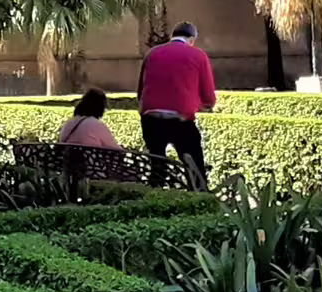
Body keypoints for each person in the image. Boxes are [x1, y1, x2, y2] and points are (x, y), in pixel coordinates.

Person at [136, 23, 216, 187]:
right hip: (180, 119)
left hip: (151, 118)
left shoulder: (152, 53)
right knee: (195, 169)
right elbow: (209, 97)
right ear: (192, 40)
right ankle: (199, 201)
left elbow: (140, 91)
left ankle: (153, 196)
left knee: (157, 166)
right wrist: (200, 105)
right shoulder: (198, 55)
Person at [54, 88, 122, 150]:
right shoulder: (96, 125)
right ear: (100, 108)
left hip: (68, 162)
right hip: (90, 163)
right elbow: (115, 149)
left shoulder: (69, 124)